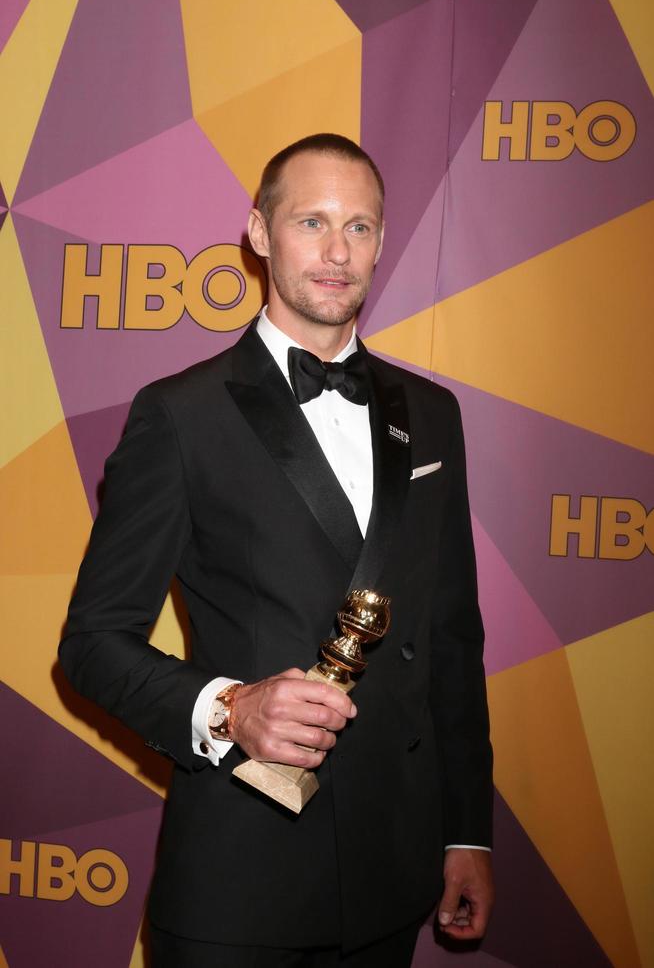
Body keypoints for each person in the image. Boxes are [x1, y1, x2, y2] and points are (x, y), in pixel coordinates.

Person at [60, 134, 494, 967]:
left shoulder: (434, 415)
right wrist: (228, 708)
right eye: (311, 222)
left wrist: (467, 833)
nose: (338, 253)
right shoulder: (180, 415)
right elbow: (91, 645)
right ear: (259, 233)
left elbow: (451, 641)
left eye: (360, 227)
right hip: (239, 882)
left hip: (393, 873)